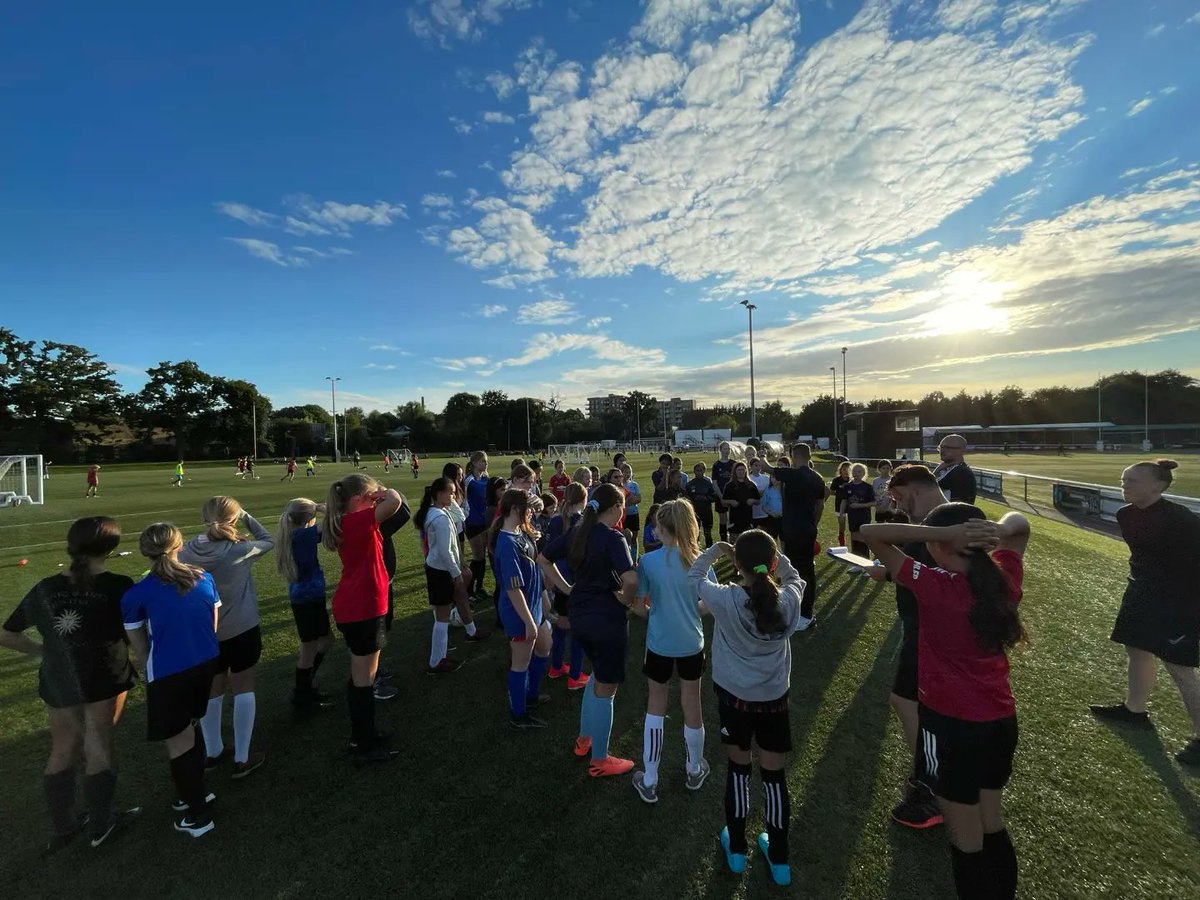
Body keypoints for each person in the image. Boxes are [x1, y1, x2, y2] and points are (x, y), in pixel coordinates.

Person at [862, 505, 1030, 900]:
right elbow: (1019, 525)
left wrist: (945, 532)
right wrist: (988, 529)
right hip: (1000, 721)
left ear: (941, 545)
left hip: (951, 724)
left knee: (965, 837)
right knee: (992, 822)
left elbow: (871, 531)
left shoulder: (936, 586)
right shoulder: (1002, 578)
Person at [0, 517, 139, 850]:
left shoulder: (46, 587)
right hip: (104, 677)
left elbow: (7, 633)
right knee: (98, 743)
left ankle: (65, 826)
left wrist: (42, 652)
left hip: (58, 678)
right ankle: (101, 825)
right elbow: (134, 633)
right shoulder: (118, 585)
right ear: (110, 548)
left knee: (63, 748)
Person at [688, 530, 806, 886]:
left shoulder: (726, 599)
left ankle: (737, 850)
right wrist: (775, 559)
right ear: (771, 564)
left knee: (739, 769)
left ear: (737, 564)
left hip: (734, 698)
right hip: (773, 698)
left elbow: (695, 577)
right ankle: (780, 858)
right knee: (774, 777)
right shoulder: (789, 598)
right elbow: (795, 576)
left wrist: (715, 551)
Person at [1089, 460, 1200, 766]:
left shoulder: (1181, 519)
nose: (1125, 485)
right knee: (1137, 650)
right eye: (1124, 480)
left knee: (1179, 668)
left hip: (1180, 602)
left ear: (1158, 485)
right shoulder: (1125, 514)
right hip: (1141, 593)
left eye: (1133, 481)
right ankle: (1134, 710)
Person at [864, 463, 956, 828]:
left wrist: (884, 571)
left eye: (897, 496)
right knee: (911, 701)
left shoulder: (937, 524)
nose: (896, 504)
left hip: (929, 630)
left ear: (912, 489)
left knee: (914, 703)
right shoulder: (943, 520)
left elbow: (876, 535)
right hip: (926, 626)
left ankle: (932, 786)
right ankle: (933, 776)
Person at [121, 523, 221, 838]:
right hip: (205, 663)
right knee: (191, 726)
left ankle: (198, 815)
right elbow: (213, 624)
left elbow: (140, 649)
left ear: (144, 552)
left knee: (178, 742)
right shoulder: (204, 577)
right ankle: (197, 792)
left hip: (169, 672)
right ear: (180, 545)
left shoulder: (137, 594)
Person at [539, 484, 638, 777]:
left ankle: (585, 739)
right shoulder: (612, 538)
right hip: (606, 619)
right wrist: (625, 600)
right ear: (616, 509)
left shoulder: (577, 532)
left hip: (579, 615)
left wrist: (568, 589)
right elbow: (630, 580)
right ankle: (600, 758)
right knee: (606, 689)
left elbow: (543, 559)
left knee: (596, 677)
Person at [179, 497, 273, 779]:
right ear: (233, 519)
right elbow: (268, 539)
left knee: (213, 690)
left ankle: (213, 750)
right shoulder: (238, 550)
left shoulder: (186, 550)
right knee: (243, 687)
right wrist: (246, 515)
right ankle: (242, 758)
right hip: (241, 628)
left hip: (206, 633)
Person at [631, 500, 713, 804]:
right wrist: (689, 609)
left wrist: (657, 611)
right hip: (692, 643)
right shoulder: (700, 560)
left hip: (660, 644)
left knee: (656, 704)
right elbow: (709, 603)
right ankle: (694, 769)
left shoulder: (648, 562)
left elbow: (639, 609)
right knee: (692, 703)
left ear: (663, 528)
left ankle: (650, 778)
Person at [323, 473, 405, 763]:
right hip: (362, 608)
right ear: (359, 499)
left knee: (364, 677)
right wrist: (382, 490)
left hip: (362, 606)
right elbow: (395, 499)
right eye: (370, 495)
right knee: (363, 680)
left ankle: (367, 735)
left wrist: (371, 495)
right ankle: (362, 743)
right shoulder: (357, 521)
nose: (376, 498)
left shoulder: (351, 520)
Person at [492, 489, 553, 728]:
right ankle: (519, 714)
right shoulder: (507, 543)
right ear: (517, 510)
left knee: (544, 646)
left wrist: (543, 600)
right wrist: (528, 621)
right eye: (528, 509)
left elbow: (534, 567)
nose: (532, 514)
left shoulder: (521, 532)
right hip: (520, 612)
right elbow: (512, 589)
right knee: (521, 663)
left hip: (533, 607)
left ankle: (531, 696)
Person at [414, 477, 486, 676]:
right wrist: (456, 575)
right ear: (439, 494)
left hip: (440, 568)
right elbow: (446, 552)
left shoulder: (440, 511)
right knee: (442, 617)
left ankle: (468, 634)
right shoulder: (439, 518)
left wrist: (450, 500)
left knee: (449, 609)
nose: (454, 496)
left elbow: (461, 516)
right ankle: (436, 661)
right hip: (441, 570)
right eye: (451, 492)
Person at [754, 444, 826, 628]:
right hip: (808, 529)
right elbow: (820, 505)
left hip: (794, 530)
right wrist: (813, 524)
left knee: (794, 572)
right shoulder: (817, 478)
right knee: (807, 570)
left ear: (794, 455)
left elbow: (766, 468)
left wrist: (761, 455)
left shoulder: (792, 474)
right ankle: (805, 612)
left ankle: (801, 614)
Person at [275, 498, 333, 710]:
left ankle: (305, 687)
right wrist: (322, 508)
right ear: (309, 518)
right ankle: (302, 694)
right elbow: (337, 521)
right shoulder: (303, 535)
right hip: (308, 598)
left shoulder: (295, 535)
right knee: (310, 648)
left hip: (305, 597)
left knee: (325, 640)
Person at [544, 483, 589, 689]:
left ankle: (555, 667)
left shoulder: (555, 520)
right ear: (583, 500)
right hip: (575, 580)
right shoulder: (582, 522)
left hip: (557, 578)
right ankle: (575, 675)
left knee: (562, 624)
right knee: (578, 630)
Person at [464, 451, 492, 603]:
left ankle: (479, 588)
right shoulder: (468, 481)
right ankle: (468, 589)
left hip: (484, 521)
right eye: (482, 461)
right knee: (478, 556)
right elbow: (462, 499)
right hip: (472, 522)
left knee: (483, 558)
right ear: (474, 463)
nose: (485, 463)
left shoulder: (486, 479)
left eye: (486, 461)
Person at [841, 463, 877, 565]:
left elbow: (874, 503)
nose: (856, 473)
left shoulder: (867, 487)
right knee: (854, 537)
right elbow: (844, 501)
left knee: (863, 537)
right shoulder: (848, 486)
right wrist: (841, 513)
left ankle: (865, 561)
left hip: (864, 516)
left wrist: (859, 505)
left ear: (863, 473)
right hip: (852, 516)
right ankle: (856, 562)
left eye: (859, 471)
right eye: (854, 471)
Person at [721, 462, 760, 541]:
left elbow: (758, 501)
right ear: (735, 471)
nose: (741, 472)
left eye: (743, 470)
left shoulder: (751, 485)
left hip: (748, 520)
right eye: (739, 470)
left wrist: (753, 501)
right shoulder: (730, 485)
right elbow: (723, 502)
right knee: (735, 545)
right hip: (734, 520)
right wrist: (731, 502)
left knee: (748, 543)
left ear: (746, 471)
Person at [685, 462, 720, 548]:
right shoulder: (690, 484)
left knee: (707, 532)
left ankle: (709, 548)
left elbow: (714, 496)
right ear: (694, 471)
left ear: (704, 471)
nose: (699, 472)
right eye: (697, 470)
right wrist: (693, 499)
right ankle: (695, 548)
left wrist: (706, 498)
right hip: (695, 510)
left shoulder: (708, 483)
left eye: (701, 470)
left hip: (706, 510)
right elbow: (686, 497)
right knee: (695, 531)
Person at [934, 435, 977, 504]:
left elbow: (928, 488)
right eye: (941, 447)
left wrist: (937, 470)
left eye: (948, 448)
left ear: (961, 451)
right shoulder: (950, 469)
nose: (942, 450)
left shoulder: (961, 472)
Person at [712, 442, 736, 543]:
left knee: (733, 519)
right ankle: (723, 542)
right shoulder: (716, 465)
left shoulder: (734, 464)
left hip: (733, 496)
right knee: (723, 520)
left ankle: (733, 541)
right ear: (720, 450)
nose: (727, 451)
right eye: (725, 449)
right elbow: (715, 483)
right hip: (720, 496)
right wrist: (721, 497)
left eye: (728, 449)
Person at [621, 462, 643, 558]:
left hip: (634, 513)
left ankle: (635, 558)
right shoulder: (620, 486)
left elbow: (638, 499)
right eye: (625, 472)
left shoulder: (634, 485)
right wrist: (630, 500)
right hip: (623, 515)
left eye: (629, 472)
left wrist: (627, 501)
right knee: (625, 537)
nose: (628, 474)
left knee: (634, 537)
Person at [830, 461, 851, 546]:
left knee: (853, 526)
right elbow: (831, 491)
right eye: (844, 469)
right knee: (842, 526)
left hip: (851, 506)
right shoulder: (836, 480)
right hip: (839, 505)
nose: (846, 471)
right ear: (840, 470)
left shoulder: (853, 480)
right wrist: (839, 494)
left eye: (848, 469)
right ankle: (842, 544)